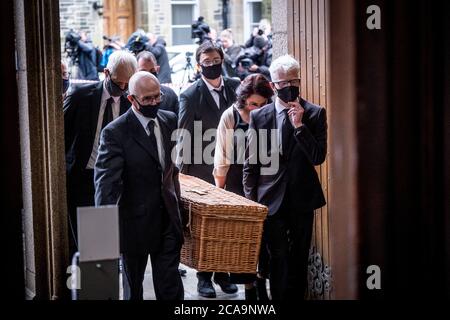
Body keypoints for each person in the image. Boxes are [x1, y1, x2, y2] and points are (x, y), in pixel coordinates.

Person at [243, 55, 327, 300]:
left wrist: (300, 126)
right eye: (283, 83)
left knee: (299, 257)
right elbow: (251, 164)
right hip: (270, 199)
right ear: (273, 86)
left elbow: (317, 157)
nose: (289, 86)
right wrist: (251, 203)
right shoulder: (259, 117)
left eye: (294, 81)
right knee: (278, 257)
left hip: (303, 198)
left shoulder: (315, 113)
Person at [94, 71, 184, 300]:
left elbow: (171, 169)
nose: (154, 102)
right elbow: (106, 184)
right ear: (131, 99)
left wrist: (179, 205)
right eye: (147, 99)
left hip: (167, 219)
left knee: (170, 285)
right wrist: (103, 231)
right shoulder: (115, 132)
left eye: (157, 96)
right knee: (133, 288)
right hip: (134, 223)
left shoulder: (170, 119)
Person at [178, 41, 240, 298]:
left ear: (222, 60)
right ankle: (204, 277)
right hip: (202, 168)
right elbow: (182, 135)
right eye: (207, 63)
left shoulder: (236, 86)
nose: (213, 66)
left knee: (227, 221)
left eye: (216, 61)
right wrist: (183, 175)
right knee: (205, 224)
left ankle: (223, 273)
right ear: (198, 65)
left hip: (233, 165)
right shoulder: (190, 95)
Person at [63, 50, 137, 258]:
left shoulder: (130, 102)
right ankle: (86, 284)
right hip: (83, 177)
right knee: (85, 243)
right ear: (106, 73)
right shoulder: (80, 96)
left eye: (127, 84)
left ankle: (101, 280)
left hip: (115, 180)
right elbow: (62, 136)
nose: (122, 89)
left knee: (105, 243)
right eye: (118, 83)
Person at [213, 74, 273, 300]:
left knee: (265, 238)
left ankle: (261, 283)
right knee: (244, 239)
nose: (258, 109)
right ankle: (248, 288)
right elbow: (222, 156)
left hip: (267, 180)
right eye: (253, 104)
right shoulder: (230, 116)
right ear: (244, 100)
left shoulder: (271, 114)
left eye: (263, 104)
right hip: (237, 181)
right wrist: (220, 193)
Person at [136, 51, 179, 115]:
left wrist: (198, 125)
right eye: (143, 71)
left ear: (157, 69)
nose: (148, 75)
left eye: (152, 70)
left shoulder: (170, 95)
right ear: (136, 71)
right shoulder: (130, 97)